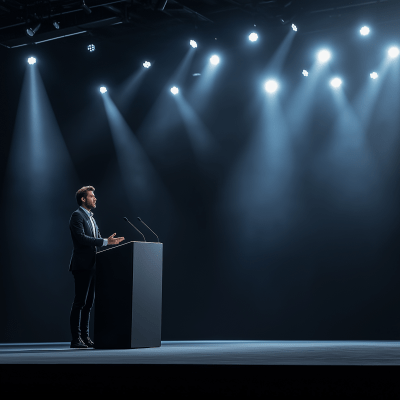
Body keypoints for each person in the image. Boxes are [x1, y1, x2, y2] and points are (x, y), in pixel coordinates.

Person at [69, 186, 124, 349]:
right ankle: (75, 339)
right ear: (83, 199)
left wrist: (108, 241)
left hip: (93, 265)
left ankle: (85, 337)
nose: (95, 198)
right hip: (82, 265)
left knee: (89, 304)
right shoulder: (76, 216)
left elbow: (97, 239)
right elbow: (81, 238)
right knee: (79, 302)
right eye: (92, 196)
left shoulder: (92, 218)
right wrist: (105, 241)